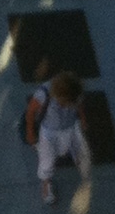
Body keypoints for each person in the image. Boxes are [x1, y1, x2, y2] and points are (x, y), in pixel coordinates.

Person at [23, 72, 92, 206]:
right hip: (49, 131)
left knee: (72, 151)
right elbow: (30, 112)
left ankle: (75, 155)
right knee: (47, 160)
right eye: (65, 103)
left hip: (70, 126)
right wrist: (30, 132)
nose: (68, 105)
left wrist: (82, 119)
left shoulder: (75, 91)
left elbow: (79, 105)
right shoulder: (43, 94)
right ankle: (46, 183)